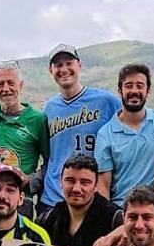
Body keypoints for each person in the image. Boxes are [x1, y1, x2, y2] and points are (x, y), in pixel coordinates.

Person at [39, 44, 120, 221]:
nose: (64, 69)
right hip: (53, 196)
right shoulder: (49, 108)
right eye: (58, 65)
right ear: (51, 70)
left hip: (90, 195)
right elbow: (47, 154)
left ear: (79, 65)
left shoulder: (106, 101)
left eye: (69, 63)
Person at [40, 153, 123, 246]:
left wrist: (121, 231)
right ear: (61, 182)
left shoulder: (114, 218)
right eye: (70, 181)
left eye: (85, 182)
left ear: (96, 186)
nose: (76, 188)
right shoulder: (48, 219)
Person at [96, 64, 154, 206]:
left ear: (148, 90)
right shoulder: (105, 134)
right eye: (129, 86)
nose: (134, 91)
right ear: (120, 91)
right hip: (122, 211)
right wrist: (109, 216)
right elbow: (103, 186)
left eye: (140, 86)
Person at [0, 61, 49, 180]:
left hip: (20, 190)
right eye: (0, 84)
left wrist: (31, 181)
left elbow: (49, 161)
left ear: (21, 85)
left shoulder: (38, 120)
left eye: (11, 83)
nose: (6, 88)